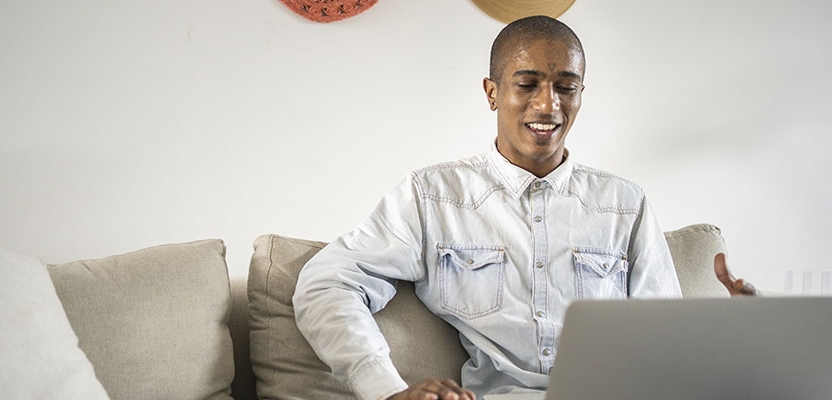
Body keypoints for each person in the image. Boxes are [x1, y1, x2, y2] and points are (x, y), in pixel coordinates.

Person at [292, 15, 756, 400]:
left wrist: (740, 339)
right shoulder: (432, 196)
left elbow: (665, 341)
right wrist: (387, 390)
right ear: (492, 92)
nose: (548, 105)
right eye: (528, 84)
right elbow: (327, 283)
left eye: (566, 87)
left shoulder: (625, 206)